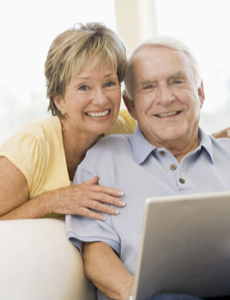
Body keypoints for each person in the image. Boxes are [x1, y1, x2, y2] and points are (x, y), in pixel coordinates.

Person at [66, 36, 230, 300]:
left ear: (199, 93)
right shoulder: (104, 160)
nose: (165, 98)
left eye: (177, 81)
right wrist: (134, 292)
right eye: (148, 87)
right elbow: (96, 253)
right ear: (130, 105)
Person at [0, 22, 136, 220]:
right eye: (83, 87)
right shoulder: (31, 148)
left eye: (109, 83)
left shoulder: (128, 130)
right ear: (59, 100)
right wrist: (52, 200)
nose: (100, 100)